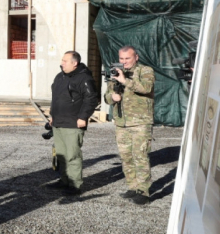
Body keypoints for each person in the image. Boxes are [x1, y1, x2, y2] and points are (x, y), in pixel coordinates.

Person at [104, 45, 155, 205]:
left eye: (128, 58)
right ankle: (132, 187)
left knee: (140, 156)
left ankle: (143, 192)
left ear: (136, 57)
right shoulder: (115, 72)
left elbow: (147, 88)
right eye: (121, 59)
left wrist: (125, 81)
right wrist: (112, 97)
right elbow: (106, 96)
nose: (124, 62)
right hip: (121, 122)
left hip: (140, 122)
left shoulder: (145, 71)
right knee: (126, 157)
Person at [48, 51, 98, 195]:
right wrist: (52, 115)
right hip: (58, 122)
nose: (61, 63)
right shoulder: (60, 76)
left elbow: (91, 99)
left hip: (73, 123)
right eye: (62, 60)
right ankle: (64, 181)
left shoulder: (84, 78)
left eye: (65, 61)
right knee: (62, 155)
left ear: (74, 63)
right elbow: (55, 98)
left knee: (73, 155)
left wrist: (83, 117)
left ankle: (75, 185)